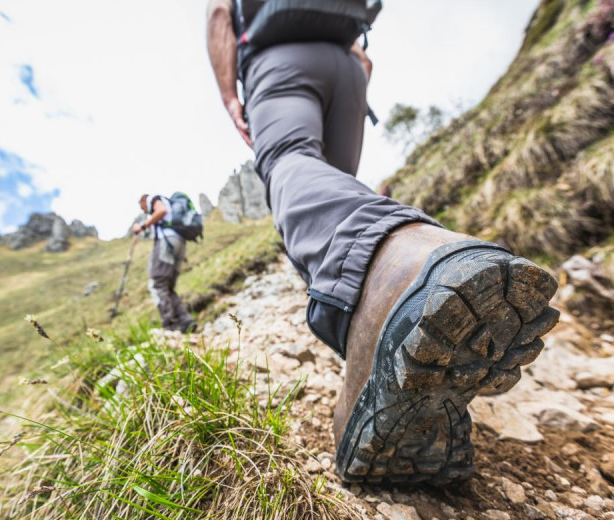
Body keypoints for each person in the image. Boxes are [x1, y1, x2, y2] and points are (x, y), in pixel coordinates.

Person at [206, 0, 559, 485]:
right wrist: (352, 71)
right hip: (348, 69)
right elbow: (364, 56)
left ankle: (400, 268)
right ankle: (383, 348)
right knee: (332, 182)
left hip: (277, 59)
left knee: (289, 162)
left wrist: (230, 93)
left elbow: (220, 14)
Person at [132, 194, 197, 334]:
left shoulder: (154, 199)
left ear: (143, 199)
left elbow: (161, 211)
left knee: (157, 283)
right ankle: (186, 321)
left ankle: (170, 326)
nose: (143, 210)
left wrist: (142, 226)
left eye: (141, 206)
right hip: (179, 243)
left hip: (166, 242)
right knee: (168, 287)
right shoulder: (169, 204)